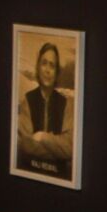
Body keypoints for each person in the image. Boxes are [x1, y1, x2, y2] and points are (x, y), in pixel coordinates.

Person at [14, 42, 73, 180]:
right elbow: (26, 145)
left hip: (60, 178)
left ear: (57, 73)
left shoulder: (67, 103)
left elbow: (69, 148)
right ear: (38, 67)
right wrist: (57, 148)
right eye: (44, 63)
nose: (47, 70)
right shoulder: (27, 100)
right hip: (30, 174)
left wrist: (42, 137)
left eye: (52, 65)